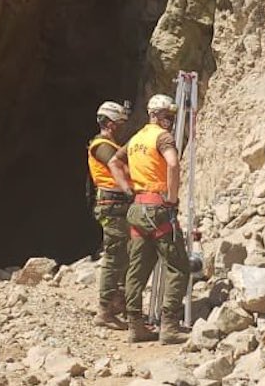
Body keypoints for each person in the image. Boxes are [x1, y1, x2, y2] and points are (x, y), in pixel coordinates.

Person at [108, 94, 190, 344]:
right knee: (178, 266)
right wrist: (173, 199)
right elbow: (173, 165)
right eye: (169, 116)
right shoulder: (162, 137)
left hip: (137, 208)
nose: (171, 121)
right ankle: (170, 327)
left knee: (138, 268)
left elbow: (113, 161)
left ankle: (135, 326)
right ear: (160, 115)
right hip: (158, 208)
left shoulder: (136, 138)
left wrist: (127, 189)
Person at [88, 101, 132, 330]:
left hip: (118, 204)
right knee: (115, 255)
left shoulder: (110, 144)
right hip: (112, 203)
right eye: (120, 122)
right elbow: (116, 165)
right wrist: (129, 189)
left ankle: (116, 301)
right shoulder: (102, 145)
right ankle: (104, 310)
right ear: (110, 123)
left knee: (124, 253)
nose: (122, 126)